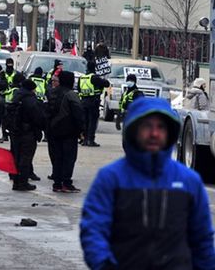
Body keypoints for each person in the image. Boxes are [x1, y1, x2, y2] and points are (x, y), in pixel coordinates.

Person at [80, 97, 215, 269]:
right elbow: (94, 229)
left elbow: (202, 239)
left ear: (170, 132)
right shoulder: (111, 178)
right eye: (147, 126)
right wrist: (103, 264)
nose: (154, 134)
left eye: (161, 127)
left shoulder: (188, 181)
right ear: (134, 130)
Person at [46, 71, 84, 193]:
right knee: (69, 158)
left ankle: (57, 183)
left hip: (53, 130)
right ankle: (66, 183)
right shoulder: (71, 95)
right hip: (68, 131)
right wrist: (82, 130)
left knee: (57, 158)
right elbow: (78, 113)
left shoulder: (52, 92)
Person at [11, 79, 46, 191]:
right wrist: (41, 129)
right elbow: (38, 117)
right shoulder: (30, 99)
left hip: (15, 132)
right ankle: (23, 182)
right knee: (25, 158)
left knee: (16, 157)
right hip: (27, 132)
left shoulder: (16, 96)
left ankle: (16, 182)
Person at [78, 61, 110, 147]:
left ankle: (84, 139)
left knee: (85, 121)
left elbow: (78, 89)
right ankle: (90, 140)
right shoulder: (94, 78)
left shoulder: (82, 78)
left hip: (83, 101)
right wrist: (104, 79)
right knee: (92, 121)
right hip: (93, 101)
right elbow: (106, 84)